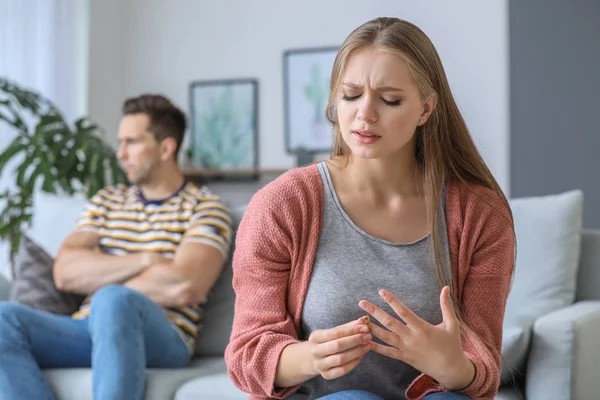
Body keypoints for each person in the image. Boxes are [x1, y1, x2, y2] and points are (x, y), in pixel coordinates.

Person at [225, 17, 515, 400]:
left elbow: (482, 368)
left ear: (426, 109)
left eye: (390, 99)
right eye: (350, 95)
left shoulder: (481, 216)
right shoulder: (282, 205)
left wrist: (452, 366)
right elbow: (247, 353)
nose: (365, 114)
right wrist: (311, 357)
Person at [0, 94, 233, 400]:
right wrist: (148, 259)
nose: (120, 153)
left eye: (132, 142)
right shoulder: (106, 202)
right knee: (4, 318)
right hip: (88, 330)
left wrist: (105, 280)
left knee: (112, 300)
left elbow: (185, 284)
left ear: (166, 148)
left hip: (165, 336)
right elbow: (66, 272)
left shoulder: (205, 207)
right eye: (120, 142)